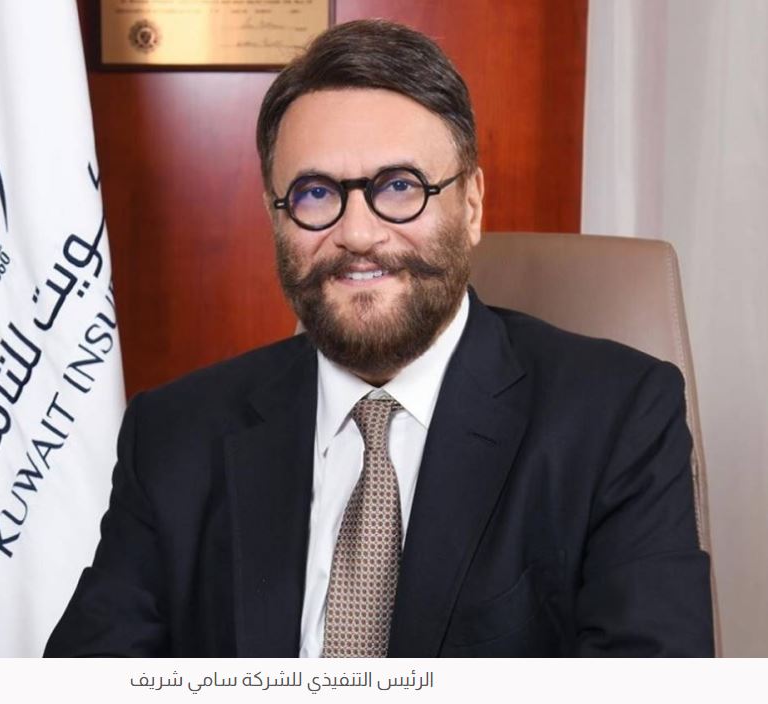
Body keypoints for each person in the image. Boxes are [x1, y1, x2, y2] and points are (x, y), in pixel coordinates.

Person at [45, 19, 713, 657]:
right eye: (314, 194)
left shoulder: (617, 418)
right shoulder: (173, 436)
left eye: (399, 186)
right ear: (276, 218)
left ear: (471, 205)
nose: (358, 234)